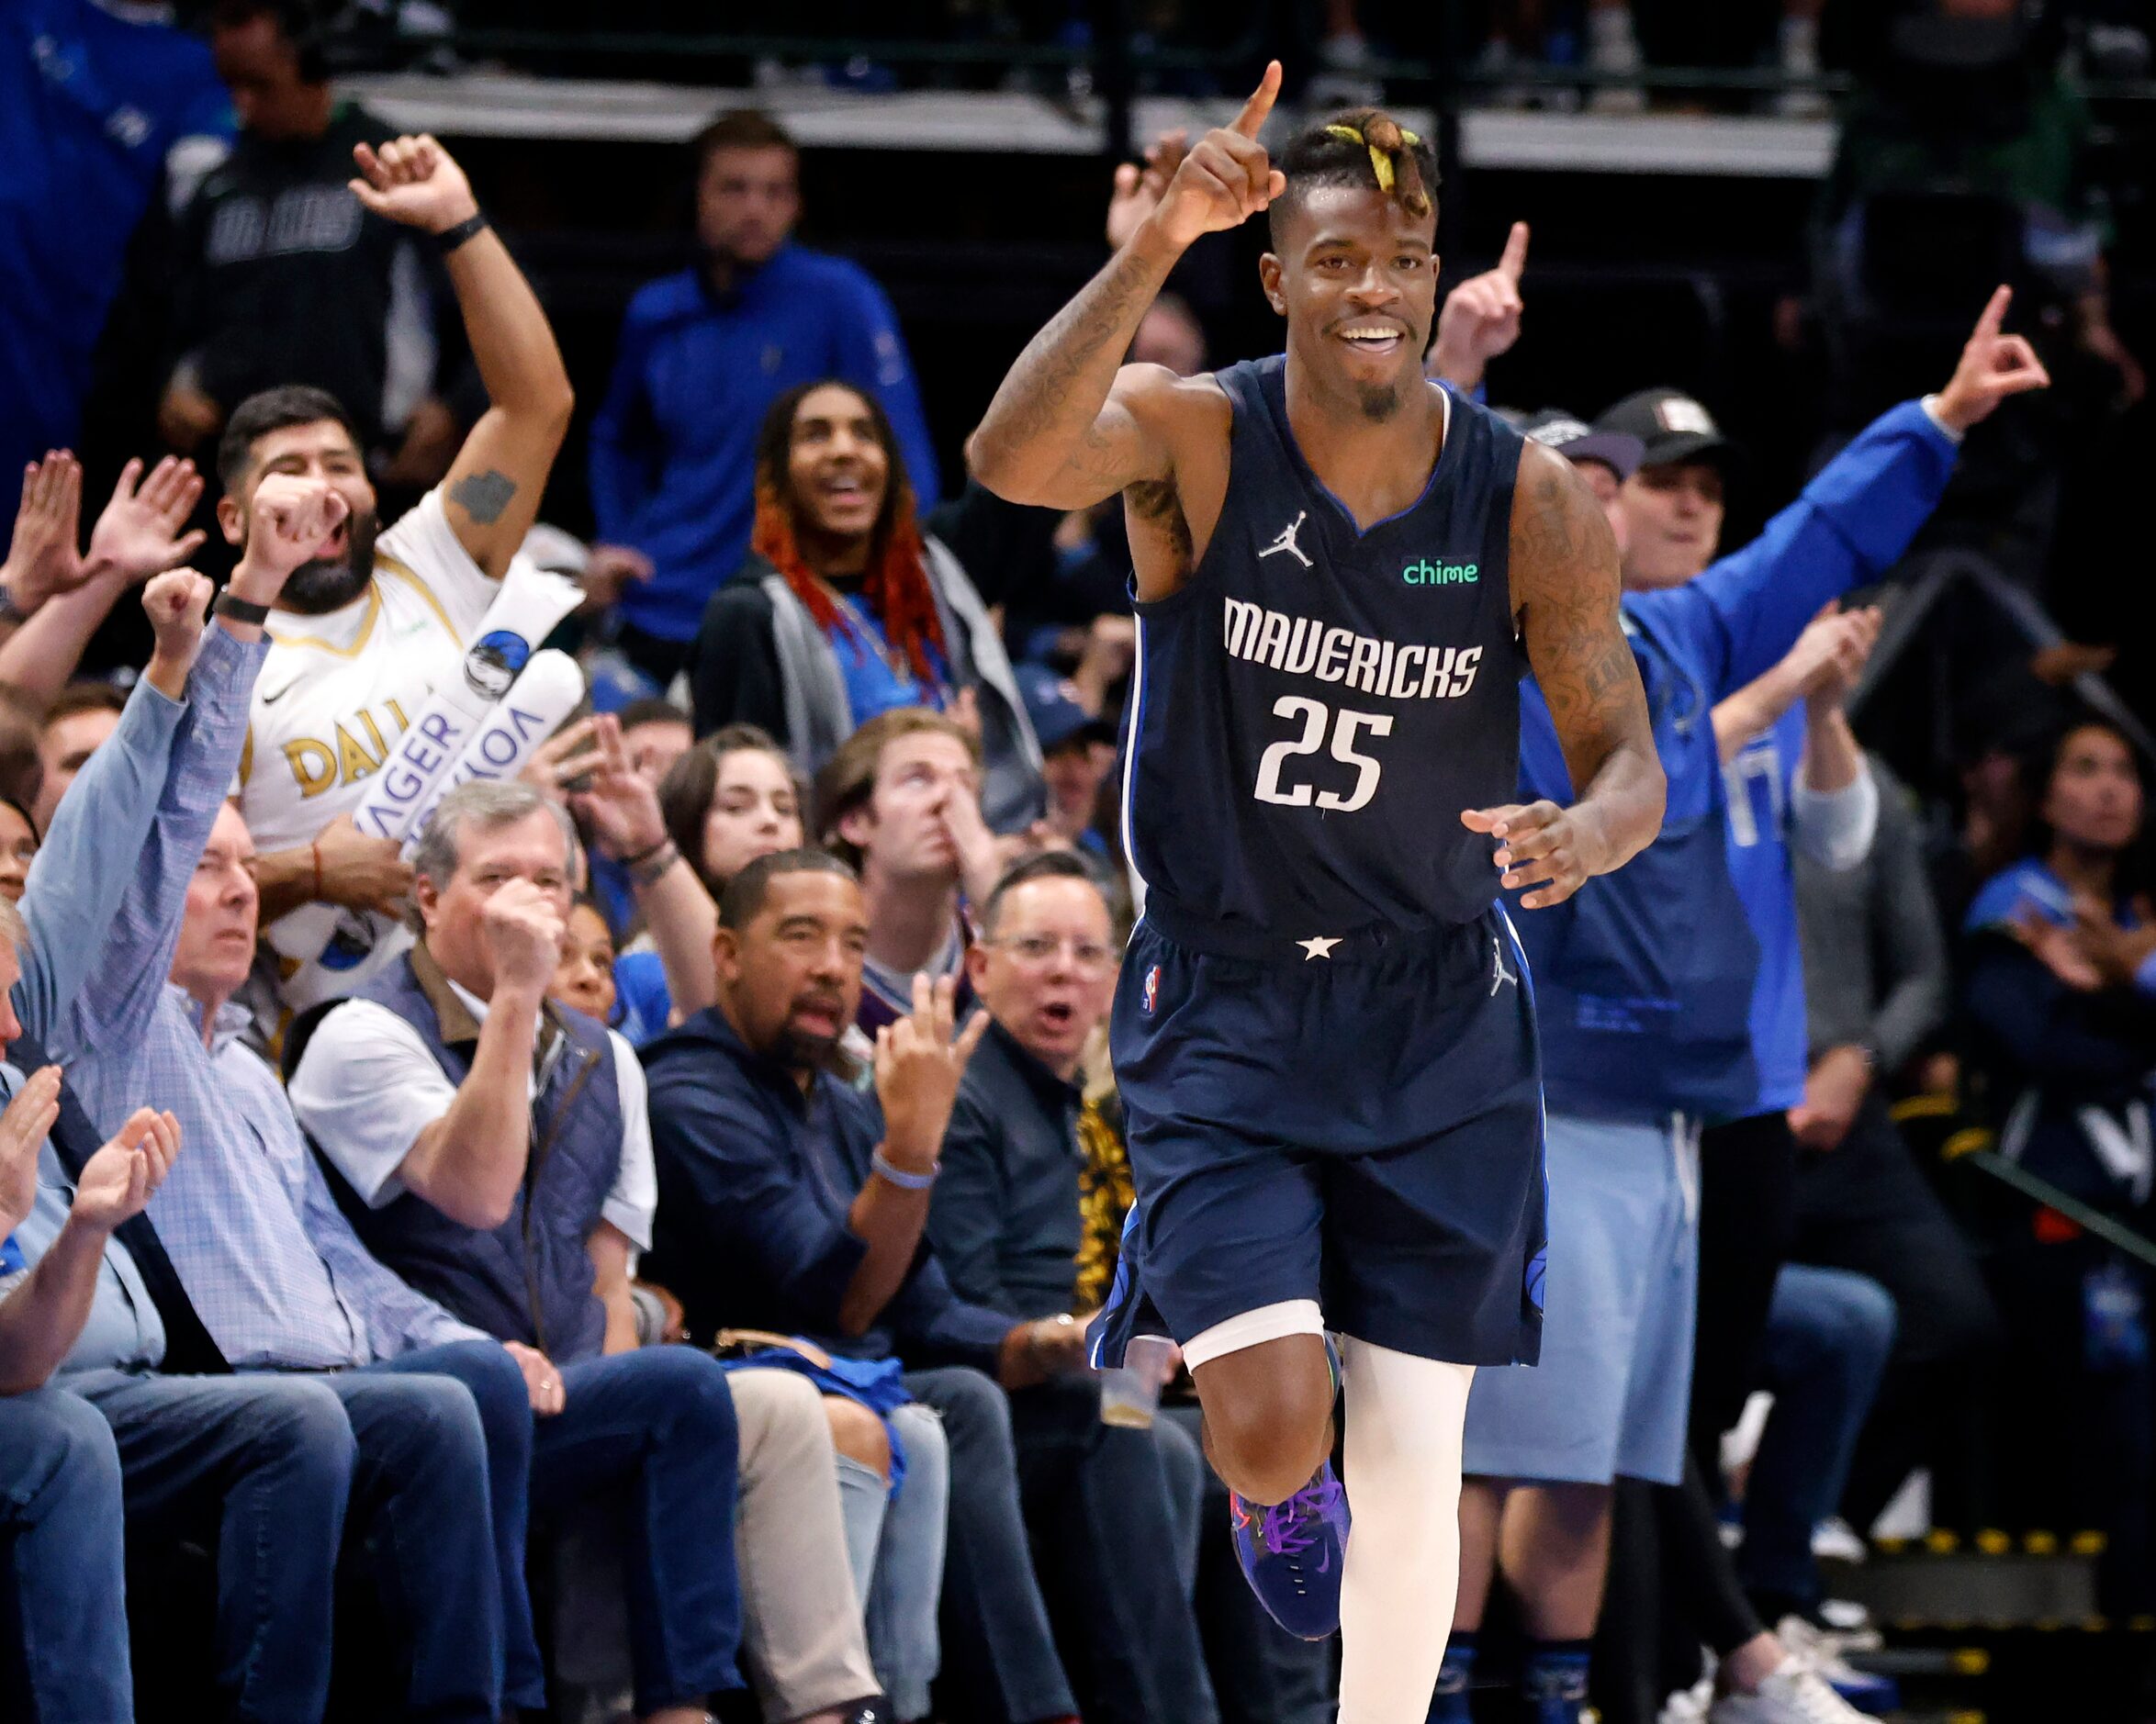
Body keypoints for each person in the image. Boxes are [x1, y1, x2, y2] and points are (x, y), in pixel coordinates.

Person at [965, 68, 1667, 1722]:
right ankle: (1274, 1477)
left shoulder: (1529, 496)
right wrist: (1152, 243)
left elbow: (1626, 755)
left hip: (1437, 1007)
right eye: (1337, 254)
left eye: (1404, 255)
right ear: (1276, 275)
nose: (1376, 286)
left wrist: (1590, 832)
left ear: (1432, 278)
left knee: (1422, 1443)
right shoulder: (1199, 428)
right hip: (1224, 988)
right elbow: (1009, 460)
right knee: (1279, 1419)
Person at [1453, 294, 2044, 1724]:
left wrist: (1940, 418)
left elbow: (1815, 544)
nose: (1601, 506)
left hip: (1677, 1108)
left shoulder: (1677, 633)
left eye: (1612, 489)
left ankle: (1561, 1700)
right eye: (1571, 487)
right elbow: (1387, 511)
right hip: (1548, 1099)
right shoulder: (1474, 644)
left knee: (1604, 1462)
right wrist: (1457, 369)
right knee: (1494, 1456)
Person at [36, 479, 555, 1717]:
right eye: (204, 871)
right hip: (226, 1379)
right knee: (409, 1418)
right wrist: (245, 603)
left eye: (240, 866)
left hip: (330, 1362)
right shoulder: (113, 1017)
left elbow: (335, 1258)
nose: (229, 889)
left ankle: (502, 1705)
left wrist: (459, 1337)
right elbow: (150, 834)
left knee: (466, 1379)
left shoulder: (246, 1063)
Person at [292, 778, 887, 1724]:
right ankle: (622, 1707)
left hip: (563, 1386)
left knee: (728, 1399)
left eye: (548, 880)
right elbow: (477, 1190)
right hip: (432, 1396)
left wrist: (606, 1400)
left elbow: (610, 1277)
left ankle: (764, 1708)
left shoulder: (604, 1055)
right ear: (429, 896)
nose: (531, 904)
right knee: (648, 1393)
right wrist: (520, 994)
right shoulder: (358, 1034)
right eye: (497, 878)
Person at [642, 849, 1083, 1724]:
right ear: (726, 954)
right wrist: (911, 1152)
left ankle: (918, 1705)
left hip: (855, 1382)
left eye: (852, 944)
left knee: (1037, 1404)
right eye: (801, 938)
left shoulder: (839, 1104)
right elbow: (830, 1297)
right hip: (741, 1397)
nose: (832, 968)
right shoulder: (689, 1092)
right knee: (944, 1407)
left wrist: (1047, 1342)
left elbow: (918, 1305)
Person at [222, 129, 577, 1014]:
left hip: (516, 981)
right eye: (288, 470)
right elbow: (161, 899)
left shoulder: (429, 563)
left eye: (339, 464)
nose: (321, 488)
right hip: (335, 1022)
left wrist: (458, 222)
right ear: (233, 519)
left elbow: (536, 404)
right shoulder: (213, 666)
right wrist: (309, 874)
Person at [926, 852, 1217, 1723]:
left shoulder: (1070, 1105)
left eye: (1089, 953)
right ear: (979, 965)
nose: (1064, 969)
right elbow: (954, 1305)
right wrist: (1078, 1335)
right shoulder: (957, 1096)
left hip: (1052, 1387)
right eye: (1037, 946)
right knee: (1127, 1436)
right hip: (981, 1389)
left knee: (1243, 1458)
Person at [588, 110, 939, 684]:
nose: (755, 209)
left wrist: (882, 589)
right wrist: (618, 537)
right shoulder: (656, 312)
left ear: (796, 205)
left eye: (775, 192)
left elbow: (904, 460)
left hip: (794, 609)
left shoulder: (841, 299)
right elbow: (616, 439)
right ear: (697, 197)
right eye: (734, 188)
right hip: (661, 601)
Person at [97, 0, 463, 488]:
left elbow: (493, 303)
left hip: (367, 468)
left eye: (259, 85)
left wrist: (454, 410)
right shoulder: (213, 183)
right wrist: (168, 390)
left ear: (311, 65)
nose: (241, 106)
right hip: (236, 475)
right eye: (233, 87)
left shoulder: (390, 165)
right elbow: (147, 320)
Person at [1960, 718, 2156, 1608]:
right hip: (2051, 1211)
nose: (2108, 789)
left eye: (2123, 772)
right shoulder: (2009, 908)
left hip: (2137, 1214)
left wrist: (2115, 982)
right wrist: (2129, 1003)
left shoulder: (2136, 922)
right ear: (2043, 798)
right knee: (2091, 1444)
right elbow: (2040, 1049)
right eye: (2083, 769)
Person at [1791, 749, 1999, 1550]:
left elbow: (1923, 975)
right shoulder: (1673, 752)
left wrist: (1862, 1056)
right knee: (1708, 1356)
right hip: (1720, 1113)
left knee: (1956, 1325)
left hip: (1849, 1107)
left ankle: (1814, 1523)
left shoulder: (1868, 780)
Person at [686, 380, 1042, 829]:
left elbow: (1037, 454)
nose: (843, 450)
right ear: (775, 475)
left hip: (980, 845)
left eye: (865, 434)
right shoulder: (746, 617)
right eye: (816, 435)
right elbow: (733, 812)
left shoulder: (939, 571)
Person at [814, 708, 1003, 1036]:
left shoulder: (998, 949)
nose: (947, 800)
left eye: (964, 785)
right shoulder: (817, 965)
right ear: (855, 822)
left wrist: (993, 893)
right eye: (917, 779)